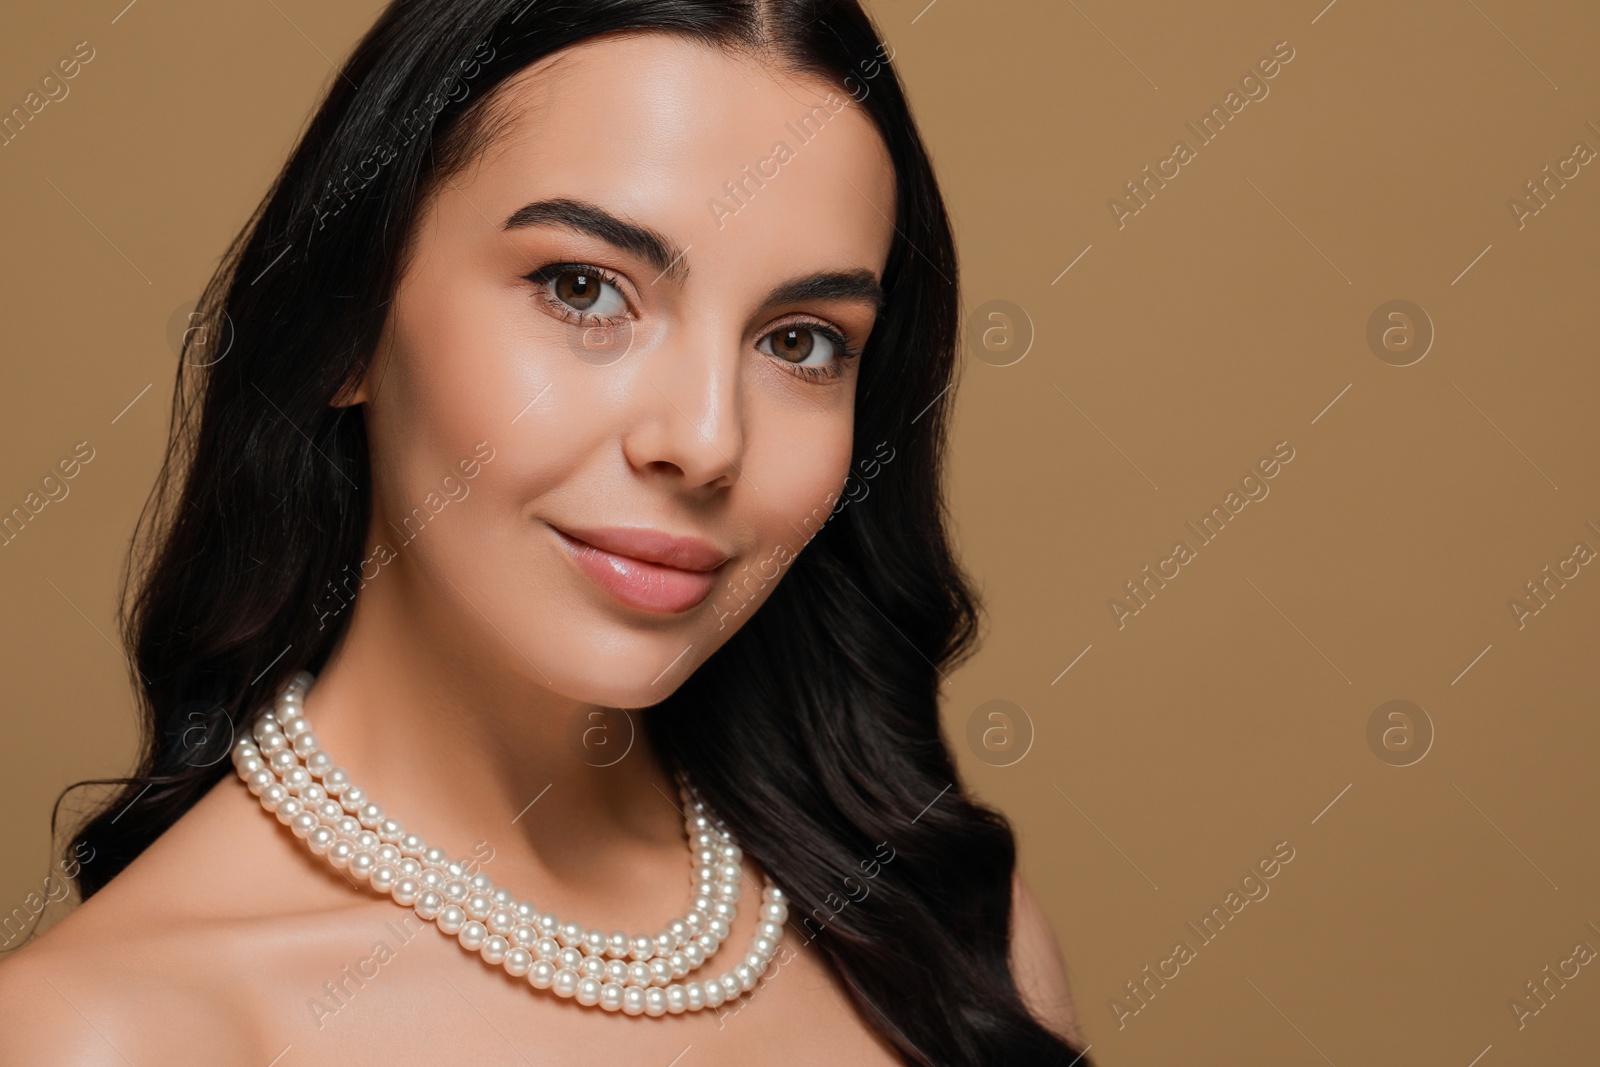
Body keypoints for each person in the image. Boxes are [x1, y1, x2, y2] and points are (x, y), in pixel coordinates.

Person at [0, 2, 1089, 1063]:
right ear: (349, 325)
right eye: (583, 288)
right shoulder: (104, 1033)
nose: (705, 440)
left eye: (800, 343)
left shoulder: (947, 942)